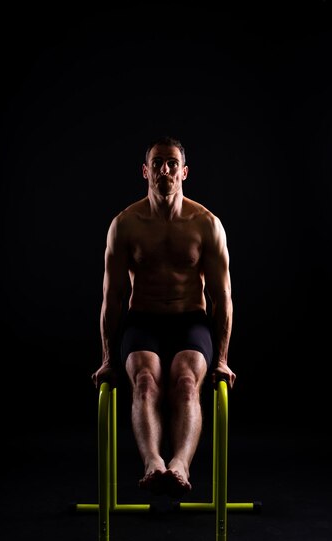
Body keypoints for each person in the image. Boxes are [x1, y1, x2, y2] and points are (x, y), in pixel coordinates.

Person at [92, 136, 236, 499]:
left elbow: (222, 298)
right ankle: (154, 463)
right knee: (144, 382)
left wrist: (221, 359)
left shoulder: (206, 224)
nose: (164, 170)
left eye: (172, 163)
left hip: (191, 320)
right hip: (143, 320)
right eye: (157, 163)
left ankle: (180, 465)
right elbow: (112, 299)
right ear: (146, 171)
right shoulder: (125, 225)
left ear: (184, 172)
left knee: (187, 383)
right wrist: (108, 360)